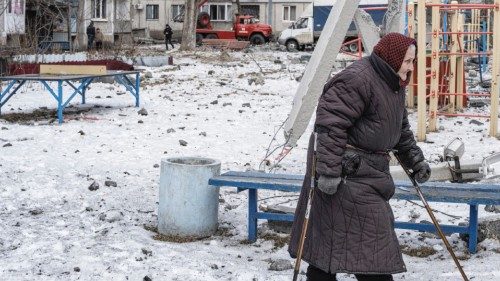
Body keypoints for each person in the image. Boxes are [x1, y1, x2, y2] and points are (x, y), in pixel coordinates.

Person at [288, 33, 431, 281]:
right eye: (407, 61)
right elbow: (330, 125)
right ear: (393, 58)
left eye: (412, 62)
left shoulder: (392, 84)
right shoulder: (357, 79)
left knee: (342, 249)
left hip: (371, 175)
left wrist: (415, 161)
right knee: (363, 252)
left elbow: (399, 129)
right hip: (346, 174)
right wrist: (329, 172)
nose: (410, 68)